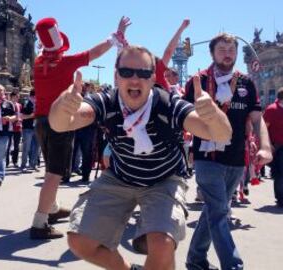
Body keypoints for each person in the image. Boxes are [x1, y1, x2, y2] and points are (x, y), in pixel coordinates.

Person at [49, 45, 232, 270]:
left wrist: (213, 115)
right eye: (127, 72)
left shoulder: (168, 105)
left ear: (153, 78)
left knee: (162, 243)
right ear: (116, 76)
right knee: (79, 241)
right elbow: (60, 124)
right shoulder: (107, 101)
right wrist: (63, 105)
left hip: (164, 180)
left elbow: (221, 134)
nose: (135, 80)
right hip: (120, 177)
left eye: (143, 73)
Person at [30, 16, 132, 240]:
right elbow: (94, 53)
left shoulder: (38, 63)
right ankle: (39, 222)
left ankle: (53, 208)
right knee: (54, 174)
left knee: (51, 169)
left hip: (40, 121)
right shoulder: (66, 62)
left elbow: (45, 51)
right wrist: (116, 36)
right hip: (60, 120)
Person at [184, 33, 272, 270]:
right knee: (220, 210)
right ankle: (233, 265)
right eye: (222, 49)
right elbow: (184, 118)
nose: (228, 53)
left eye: (231, 49)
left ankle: (195, 260)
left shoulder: (246, 83)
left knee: (214, 211)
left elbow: (257, 119)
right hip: (207, 158)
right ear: (212, 53)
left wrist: (264, 146)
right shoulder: (198, 81)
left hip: (236, 159)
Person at [264, 87, 283, 207]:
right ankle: (281, 199)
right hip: (278, 147)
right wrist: (268, 144)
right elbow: (264, 128)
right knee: (280, 174)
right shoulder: (271, 109)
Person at [20, 90, 39, 172]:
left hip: (37, 128)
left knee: (36, 148)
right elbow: (22, 116)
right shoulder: (26, 103)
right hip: (28, 128)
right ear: (32, 96)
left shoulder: (39, 103)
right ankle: (23, 165)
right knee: (26, 147)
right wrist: (31, 115)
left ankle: (33, 164)